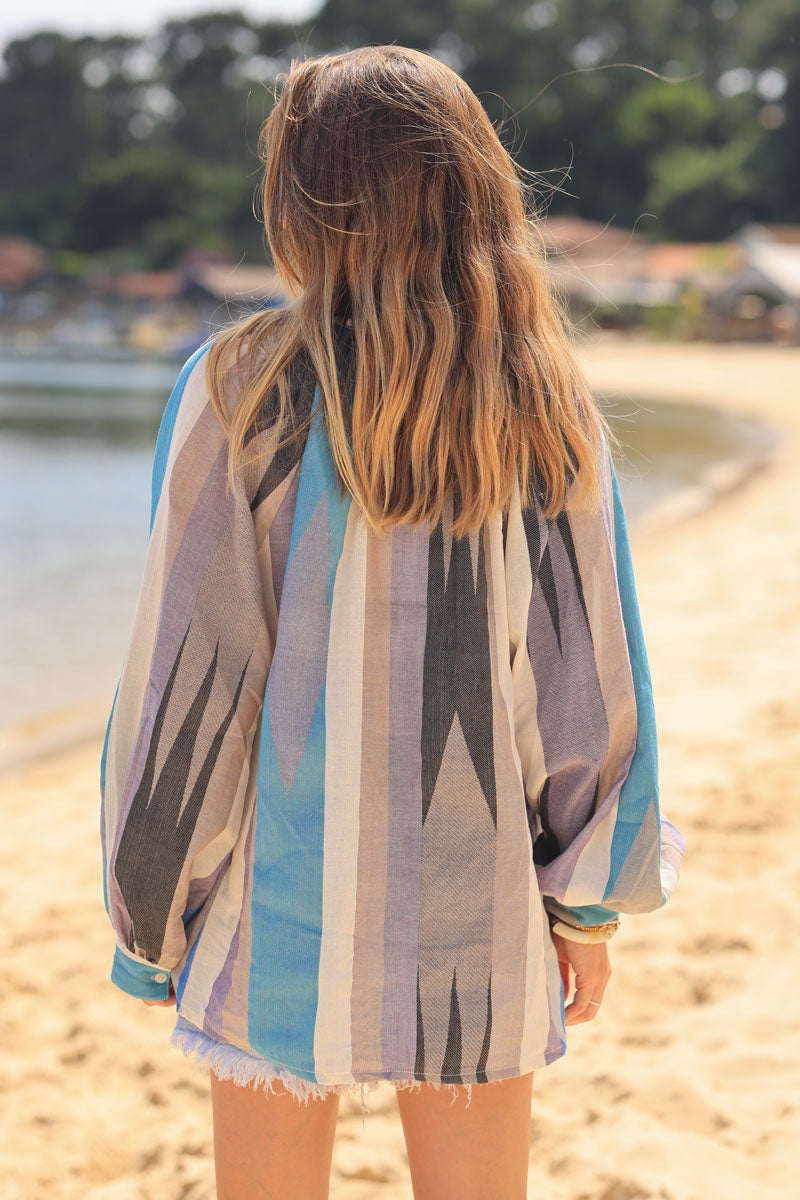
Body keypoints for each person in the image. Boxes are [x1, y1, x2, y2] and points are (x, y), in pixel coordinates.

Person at [99, 44, 686, 1200]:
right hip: (483, 898)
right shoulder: (541, 398)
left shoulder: (241, 389)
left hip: (278, 890)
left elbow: (192, 679)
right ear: (477, 191)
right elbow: (588, 679)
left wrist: (152, 915)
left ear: (298, 202)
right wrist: (583, 899)